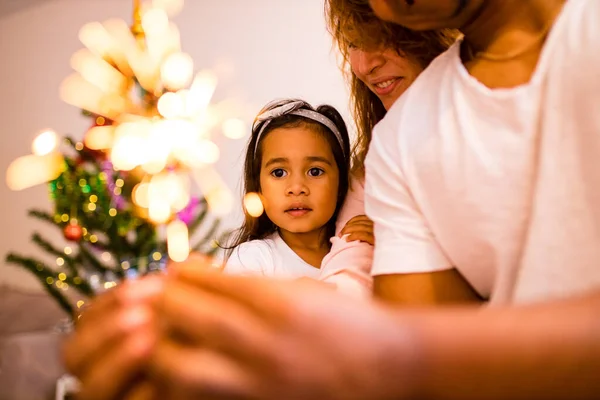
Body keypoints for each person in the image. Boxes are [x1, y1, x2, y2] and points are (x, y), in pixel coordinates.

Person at [63, 0, 600, 399]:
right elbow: (424, 347)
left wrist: (382, 354)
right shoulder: (398, 144)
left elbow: (408, 351)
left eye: (315, 170)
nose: (366, 63)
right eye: (353, 36)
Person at [319, 0, 459, 298]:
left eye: (381, 37)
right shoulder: (377, 159)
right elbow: (350, 258)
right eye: (354, 43)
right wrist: (328, 299)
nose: (362, 65)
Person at [223, 99, 351, 279]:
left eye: (315, 171)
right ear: (259, 188)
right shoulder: (254, 258)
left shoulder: (356, 253)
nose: (297, 188)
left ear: (341, 182)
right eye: (279, 173)